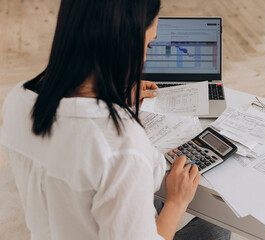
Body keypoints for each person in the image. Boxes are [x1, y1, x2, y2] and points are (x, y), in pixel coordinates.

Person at [1, 0, 231, 239]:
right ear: (124, 45)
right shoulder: (121, 146)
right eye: (149, 45)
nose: (144, 58)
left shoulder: (18, 99)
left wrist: (113, 93)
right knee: (217, 228)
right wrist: (176, 202)